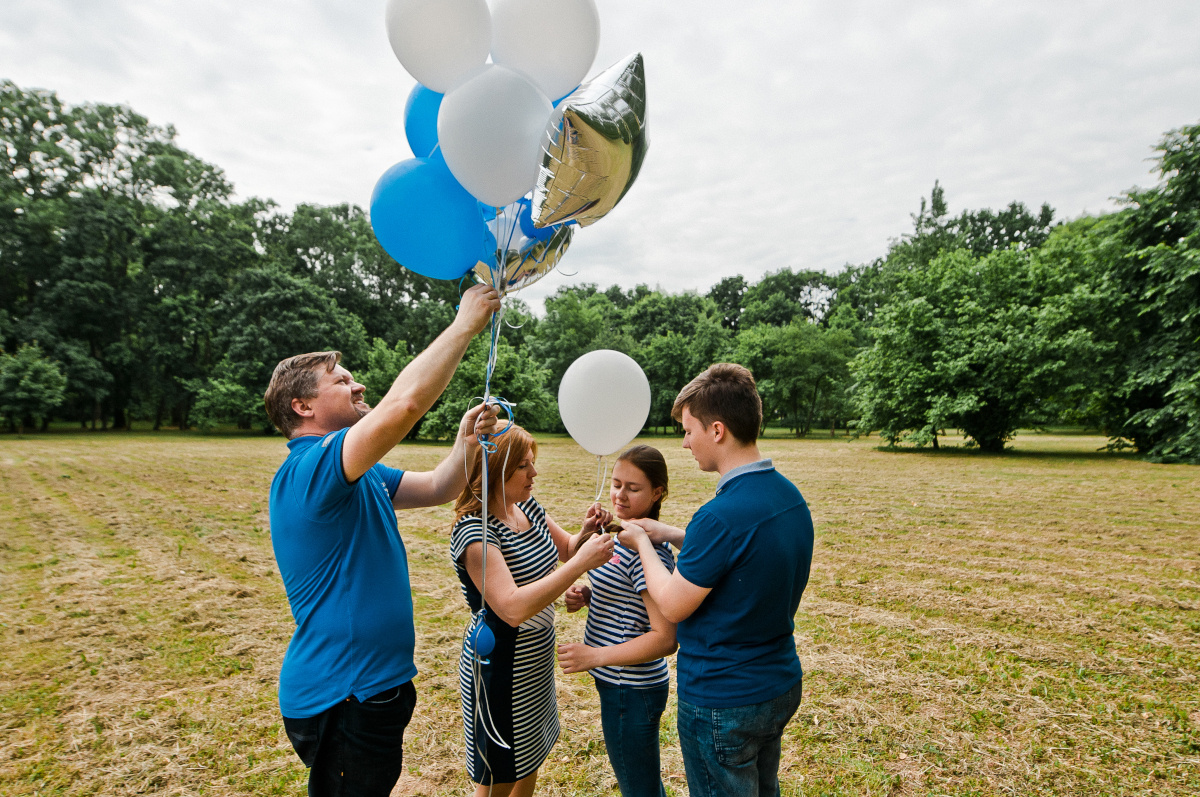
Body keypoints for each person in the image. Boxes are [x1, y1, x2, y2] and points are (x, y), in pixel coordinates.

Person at [264, 283, 501, 797]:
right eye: (341, 381)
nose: (358, 386)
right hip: (343, 695)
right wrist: (464, 325)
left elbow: (439, 487)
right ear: (302, 405)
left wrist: (465, 442)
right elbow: (404, 404)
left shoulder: (359, 471)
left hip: (373, 689)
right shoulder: (311, 469)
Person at [618, 363, 814, 797]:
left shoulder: (719, 517)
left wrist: (643, 543)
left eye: (689, 431)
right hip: (778, 683)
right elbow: (743, 554)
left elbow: (672, 604)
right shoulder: (789, 497)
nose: (685, 442)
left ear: (718, 430)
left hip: (724, 698)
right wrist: (672, 534)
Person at [450, 422, 616, 797]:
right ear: (496, 470)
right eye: (523, 466)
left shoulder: (526, 505)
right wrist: (581, 564)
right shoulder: (474, 533)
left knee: (528, 761)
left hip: (533, 662)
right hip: (499, 667)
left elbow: (567, 549)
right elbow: (511, 608)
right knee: (499, 777)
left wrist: (585, 533)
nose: (534, 473)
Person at [557, 444, 678, 797]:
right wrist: (589, 595)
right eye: (616, 484)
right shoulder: (621, 539)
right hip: (619, 685)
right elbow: (629, 600)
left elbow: (665, 638)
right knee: (640, 782)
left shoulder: (646, 552)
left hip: (632, 689)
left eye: (633, 488)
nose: (620, 495)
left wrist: (594, 656)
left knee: (639, 788)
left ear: (657, 493)